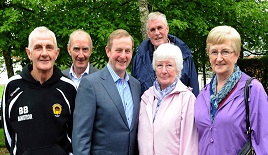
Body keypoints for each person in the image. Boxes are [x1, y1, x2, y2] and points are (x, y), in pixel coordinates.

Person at [1, 26, 76, 155]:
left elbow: (76, 131)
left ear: (56, 53)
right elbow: (8, 132)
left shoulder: (68, 88)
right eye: (38, 47)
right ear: (29, 53)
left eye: (49, 47)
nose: (44, 53)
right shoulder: (12, 87)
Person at [194, 25, 268, 154]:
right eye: (214, 52)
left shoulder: (252, 89)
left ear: (237, 54)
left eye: (225, 52)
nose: (219, 58)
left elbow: (263, 140)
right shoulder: (203, 94)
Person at [72, 29, 141, 155]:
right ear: (108, 51)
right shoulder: (90, 84)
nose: (123, 56)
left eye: (128, 51)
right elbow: (81, 137)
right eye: (118, 50)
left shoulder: (136, 85)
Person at [138, 43, 198, 155]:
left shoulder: (186, 98)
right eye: (159, 65)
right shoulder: (146, 97)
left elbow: (190, 144)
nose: (164, 71)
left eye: (169, 65)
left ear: (178, 68)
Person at [131, 11, 199, 96]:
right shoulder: (139, 58)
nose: (156, 33)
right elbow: (133, 92)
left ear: (167, 29)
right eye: (152, 30)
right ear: (148, 34)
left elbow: (194, 90)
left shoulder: (185, 55)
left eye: (159, 28)